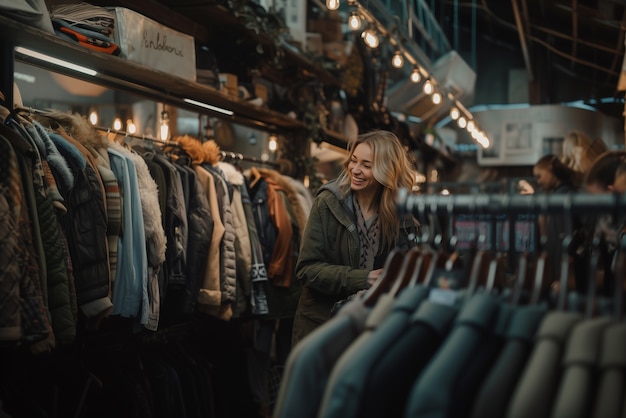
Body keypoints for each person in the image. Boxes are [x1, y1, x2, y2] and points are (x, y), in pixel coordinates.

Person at [291, 130, 419, 346]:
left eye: (367, 165)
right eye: (353, 161)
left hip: (374, 332)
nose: (355, 170)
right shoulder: (329, 203)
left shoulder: (401, 217)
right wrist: (364, 278)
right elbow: (307, 269)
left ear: (387, 170)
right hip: (323, 328)